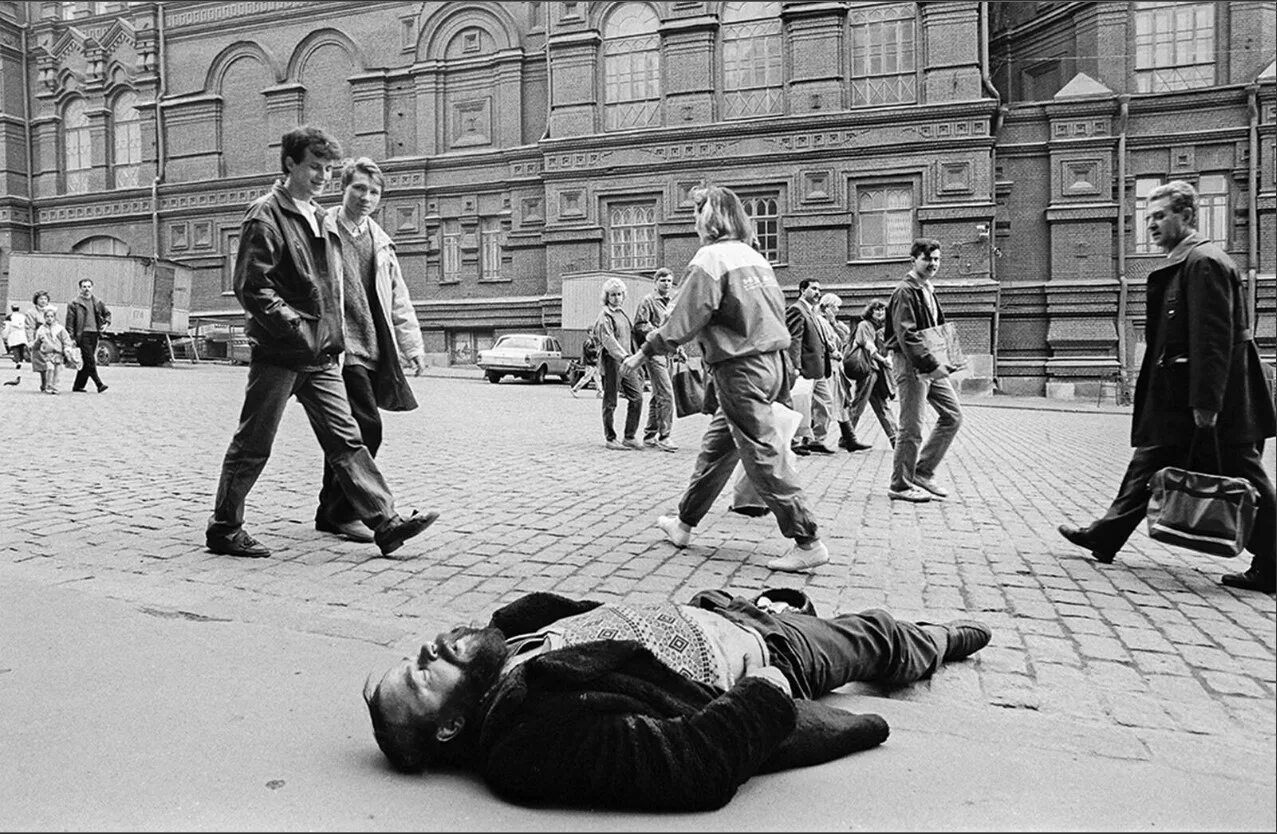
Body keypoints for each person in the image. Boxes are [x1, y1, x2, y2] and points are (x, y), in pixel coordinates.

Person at [362, 588, 992, 811]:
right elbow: (691, 767)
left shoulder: (506, 639)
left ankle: (905, 638)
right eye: (421, 678)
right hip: (765, 656)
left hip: (718, 611)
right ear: (450, 729)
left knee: (839, 625)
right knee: (876, 635)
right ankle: (936, 640)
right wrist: (766, 694)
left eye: (410, 657)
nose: (423, 651)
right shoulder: (529, 737)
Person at [205, 125, 437, 560]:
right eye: (315, 167)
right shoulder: (265, 215)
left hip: (321, 355)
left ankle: (385, 522)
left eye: (328, 169)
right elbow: (253, 289)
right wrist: (299, 330)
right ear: (290, 163)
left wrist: (326, 338)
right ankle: (224, 528)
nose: (322, 177)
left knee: (348, 440)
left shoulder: (316, 215)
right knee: (254, 442)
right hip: (281, 352)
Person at [1058, 180, 1276, 594]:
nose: (1152, 225)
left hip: (1213, 398)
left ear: (1187, 216)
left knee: (1243, 475)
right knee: (1150, 460)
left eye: (1161, 216)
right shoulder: (1190, 261)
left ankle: (1274, 564)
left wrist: (1207, 403)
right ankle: (1105, 534)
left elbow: (1213, 339)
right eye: (1149, 216)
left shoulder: (1204, 262)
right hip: (1182, 395)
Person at [622, 185, 829, 572]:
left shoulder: (711, 257)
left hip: (739, 369)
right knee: (718, 447)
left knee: (761, 450)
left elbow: (683, 316)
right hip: (769, 361)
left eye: (698, 209)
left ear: (711, 216)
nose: (694, 217)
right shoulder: (755, 257)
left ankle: (807, 539)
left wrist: (644, 351)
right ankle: (684, 523)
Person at [313, 157, 429, 545]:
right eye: (358, 188)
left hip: (372, 346)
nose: (366, 197)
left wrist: (413, 346)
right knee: (366, 430)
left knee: (348, 434)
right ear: (343, 188)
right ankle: (345, 513)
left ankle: (330, 512)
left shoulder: (380, 240)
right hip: (338, 348)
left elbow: (398, 297)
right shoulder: (320, 228)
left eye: (374, 192)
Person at [885, 238, 963, 503]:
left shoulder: (927, 289)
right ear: (913, 260)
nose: (933, 264)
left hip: (929, 363)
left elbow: (935, 329)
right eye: (928, 259)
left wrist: (947, 359)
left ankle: (923, 472)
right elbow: (907, 335)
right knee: (911, 427)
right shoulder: (905, 291)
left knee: (952, 415)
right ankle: (900, 485)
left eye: (937, 259)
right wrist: (933, 364)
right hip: (911, 363)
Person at [633, 267, 681, 452]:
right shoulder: (648, 301)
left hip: (668, 353)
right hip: (653, 352)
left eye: (669, 280)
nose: (666, 284)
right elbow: (640, 325)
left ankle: (649, 435)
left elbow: (675, 327)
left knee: (657, 395)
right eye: (663, 280)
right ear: (655, 282)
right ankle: (665, 436)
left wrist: (680, 348)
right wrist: (657, 333)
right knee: (667, 394)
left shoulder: (672, 302)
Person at [594, 276, 645, 450]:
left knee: (637, 397)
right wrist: (623, 357)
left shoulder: (622, 314)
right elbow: (609, 340)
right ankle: (610, 437)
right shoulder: (604, 316)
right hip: (613, 362)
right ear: (607, 297)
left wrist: (637, 358)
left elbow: (630, 338)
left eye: (619, 294)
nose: (616, 297)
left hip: (628, 361)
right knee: (610, 400)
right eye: (612, 295)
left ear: (624, 296)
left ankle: (629, 436)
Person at [785, 278, 834, 455]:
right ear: (802, 290)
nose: (817, 293)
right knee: (800, 403)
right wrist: (795, 366)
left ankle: (816, 439)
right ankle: (795, 440)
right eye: (813, 289)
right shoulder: (797, 310)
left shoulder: (812, 311)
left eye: (819, 289)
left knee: (826, 402)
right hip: (805, 369)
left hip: (818, 368)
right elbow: (794, 340)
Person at [817, 292, 868, 453]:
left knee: (842, 402)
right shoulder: (819, 322)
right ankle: (814, 439)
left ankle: (849, 438)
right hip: (827, 368)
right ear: (826, 307)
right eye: (835, 307)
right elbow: (827, 345)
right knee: (825, 403)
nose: (838, 310)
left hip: (836, 369)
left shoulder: (831, 324)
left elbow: (844, 339)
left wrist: (834, 323)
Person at [846, 299, 898, 451]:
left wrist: (888, 356)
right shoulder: (864, 325)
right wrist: (884, 360)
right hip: (868, 370)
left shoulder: (883, 327)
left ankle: (895, 438)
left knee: (881, 404)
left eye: (882, 310)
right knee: (859, 404)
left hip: (878, 371)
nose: (880, 312)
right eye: (877, 310)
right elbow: (869, 346)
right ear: (870, 312)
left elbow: (888, 345)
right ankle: (847, 437)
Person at [65, 278, 110, 393]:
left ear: (92, 288)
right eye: (84, 287)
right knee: (90, 360)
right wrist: (71, 338)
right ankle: (98, 383)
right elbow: (69, 323)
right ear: (80, 288)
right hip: (82, 334)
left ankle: (78, 386)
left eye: (89, 286)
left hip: (94, 333)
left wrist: (106, 324)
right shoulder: (74, 303)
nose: (86, 289)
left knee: (86, 361)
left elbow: (107, 313)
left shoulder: (97, 302)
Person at [31, 306, 74, 395]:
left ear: (54, 317)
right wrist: (36, 345)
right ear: (44, 317)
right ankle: (49, 386)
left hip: (58, 353)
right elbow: (37, 342)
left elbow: (66, 339)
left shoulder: (60, 329)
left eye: (51, 316)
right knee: (50, 369)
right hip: (47, 354)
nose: (49, 318)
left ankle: (55, 386)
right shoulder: (41, 329)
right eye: (47, 316)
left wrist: (67, 349)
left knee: (57, 371)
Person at [25, 291, 52, 392]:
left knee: (52, 361)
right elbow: (29, 327)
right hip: (39, 338)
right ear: (36, 300)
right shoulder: (31, 312)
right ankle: (44, 382)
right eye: (41, 299)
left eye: (45, 299)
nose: (43, 301)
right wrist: (31, 340)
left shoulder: (51, 310)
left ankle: (50, 383)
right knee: (42, 362)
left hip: (50, 338)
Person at [568, 329, 601, 398]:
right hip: (590, 363)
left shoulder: (593, 341)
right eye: (591, 333)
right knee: (587, 378)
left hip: (593, 362)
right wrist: (596, 351)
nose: (593, 334)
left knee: (597, 378)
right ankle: (575, 389)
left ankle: (600, 392)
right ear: (588, 333)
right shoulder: (588, 342)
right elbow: (588, 351)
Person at [3, 305, 26, 386]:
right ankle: (21, 361)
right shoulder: (23, 316)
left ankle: (18, 362)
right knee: (21, 349)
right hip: (22, 335)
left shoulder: (9, 317)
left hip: (13, 335)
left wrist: (5, 336)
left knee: (15, 349)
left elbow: (6, 327)